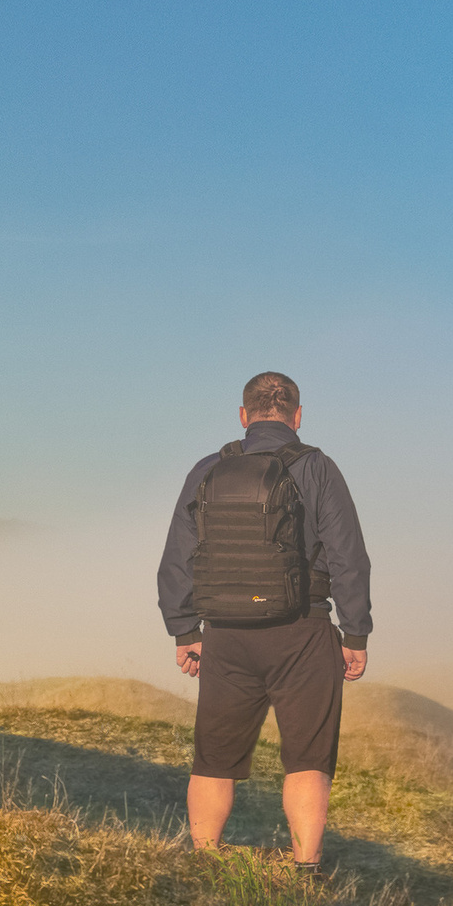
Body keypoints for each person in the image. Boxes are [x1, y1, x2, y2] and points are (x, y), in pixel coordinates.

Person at [155, 371, 371, 868]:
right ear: (297, 416)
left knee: (214, 760)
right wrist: (355, 634)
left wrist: (185, 630)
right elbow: (348, 558)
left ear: (243, 415)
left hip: (225, 638)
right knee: (308, 760)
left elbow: (177, 557)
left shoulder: (208, 470)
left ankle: (204, 864)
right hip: (304, 632)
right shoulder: (316, 468)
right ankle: (306, 870)